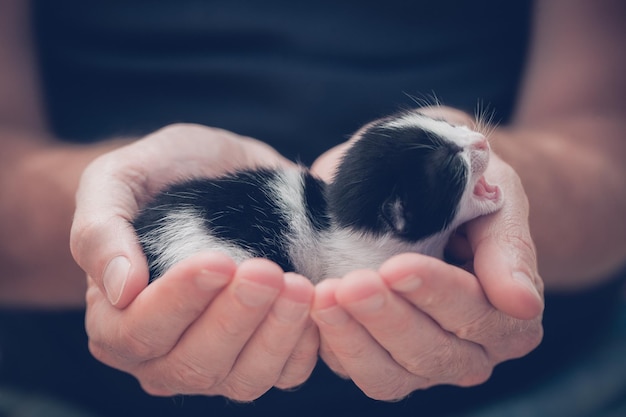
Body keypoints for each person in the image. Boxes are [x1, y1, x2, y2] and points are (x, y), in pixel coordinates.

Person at [0, 0, 624, 416]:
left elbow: (605, 127)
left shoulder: (391, 222)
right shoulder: (376, 243)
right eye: (456, 156)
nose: (478, 145)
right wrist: (94, 230)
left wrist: (517, 191)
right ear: (402, 220)